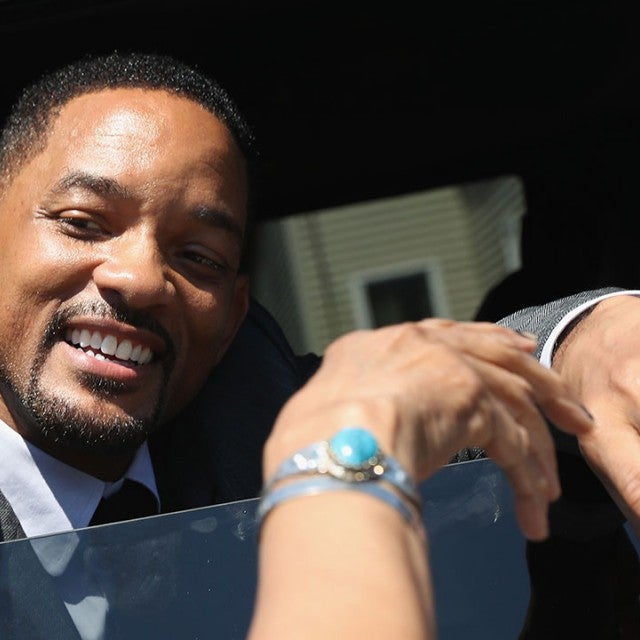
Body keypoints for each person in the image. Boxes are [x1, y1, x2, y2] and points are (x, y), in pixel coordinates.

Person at [0, 50, 626, 638]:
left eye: (200, 256)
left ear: (232, 320)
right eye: (82, 223)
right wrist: (339, 477)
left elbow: (450, 391)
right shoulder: (322, 444)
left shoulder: (249, 419)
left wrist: (586, 341)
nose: (140, 280)